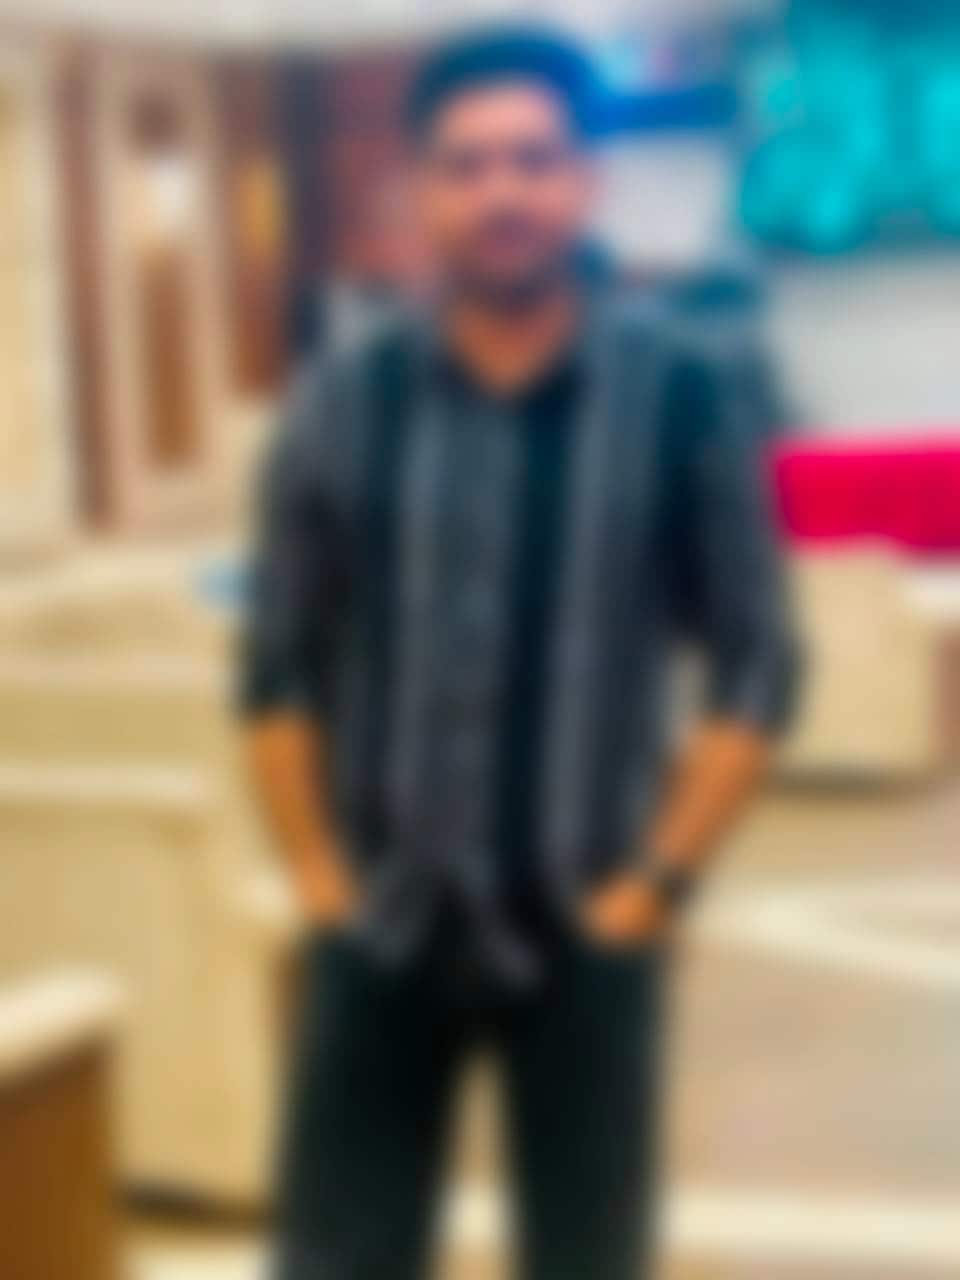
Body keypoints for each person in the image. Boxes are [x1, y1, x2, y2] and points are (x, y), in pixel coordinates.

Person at [242, 24, 800, 1280]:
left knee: (589, 1259)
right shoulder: (341, 401)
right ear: (420, 192)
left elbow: (758, 664)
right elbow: (278, 661)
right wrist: (321, 880)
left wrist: (655, 886)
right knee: (335, 1260)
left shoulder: (684, 394)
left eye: (535, 159)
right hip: (381, 926)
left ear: (586, 181)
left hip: (587, 934)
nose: (503, 192)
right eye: (467, 164)